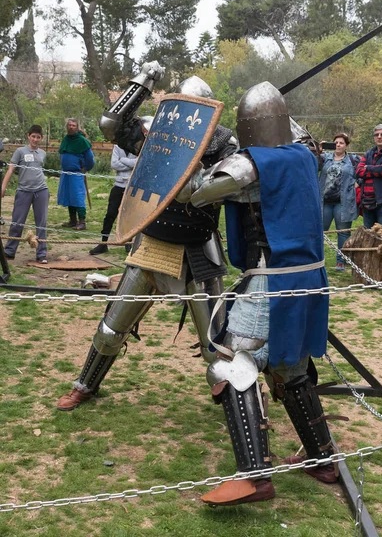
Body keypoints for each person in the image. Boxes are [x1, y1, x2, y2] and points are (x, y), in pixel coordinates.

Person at [178, 81, 334, 505]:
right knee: (291, 369)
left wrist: (207, 157)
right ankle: (323, 457)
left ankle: (254, 475)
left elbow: (198, 194)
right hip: (309, 279)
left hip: (272, 279)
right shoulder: (304, 157)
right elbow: (296, 137)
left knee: (230, 365)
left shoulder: (249, 167)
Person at [56, 75, 236, 410]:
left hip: (198, 247)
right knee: (111, 329)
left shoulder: (225, 143)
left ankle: (238, 403)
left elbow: (215, 187)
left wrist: (196, 168)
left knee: (217, 345)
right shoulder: (160, 133)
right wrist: (140, 84)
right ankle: (85, 385)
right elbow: (112, 126)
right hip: (153, 240)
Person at [88, 118, 152, 255]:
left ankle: (128, 243)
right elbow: (114, 164)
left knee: (129, 216)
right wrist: (131, 162)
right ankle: (103, 243)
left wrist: (124, 161)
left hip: (132, 187)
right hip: (118, 185)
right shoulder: (117, 147)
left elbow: (139, 164)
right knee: (110, 214)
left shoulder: (141, 145)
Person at [1, 125, 49, 263]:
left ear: (41, 138)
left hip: (41, 190)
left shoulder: (42, 153)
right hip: (23, 191)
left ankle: (41, 254)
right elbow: (10, 170)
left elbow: (40, 169)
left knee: (41, 222)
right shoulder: (20, 151)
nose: (35, 139)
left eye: (38, 137)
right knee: (17, 221)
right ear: (28, 136)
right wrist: (3, 187)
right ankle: (9, 251)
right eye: (33, 136)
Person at [319, 133, 359, 271]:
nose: (338, 145)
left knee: (343, 232)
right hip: (325, 201)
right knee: (320, 231)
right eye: (335, 142)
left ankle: (341, 261)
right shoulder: (325, 158)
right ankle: (318, 259)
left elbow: (364, 173)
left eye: (341, 143)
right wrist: (319, 151)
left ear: (346, 145)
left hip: (343, 202)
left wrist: (357, 183)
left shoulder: (353, 160)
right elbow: (312, 164)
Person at [57, 118, 95, 231]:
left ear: (77, 127)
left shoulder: (82, 141)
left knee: (77, 196)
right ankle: (73, 220)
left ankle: (82, 222)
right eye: (69, 125)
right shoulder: (65, 139)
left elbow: (90, 158)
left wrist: (86, 168)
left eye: (73, 125)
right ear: (66, 127)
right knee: (69, 196)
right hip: (66, 173)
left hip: (76, 173)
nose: (71, 127)